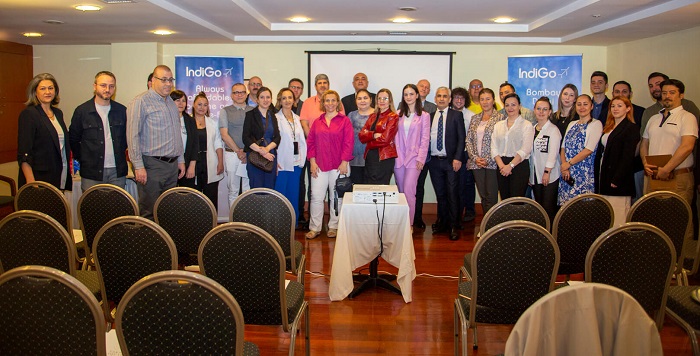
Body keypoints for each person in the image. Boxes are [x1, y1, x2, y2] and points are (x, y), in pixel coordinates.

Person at [127, 65, 185, 219]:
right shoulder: (141, 102)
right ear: (153, 81)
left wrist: (180, 159)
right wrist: (138, 166)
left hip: (172, 166)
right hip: (152, 166)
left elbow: (176, 133)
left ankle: (165, 243)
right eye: (163, 80)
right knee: (149, 212)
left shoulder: (171, 103)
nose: (168, 83)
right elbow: (132, 135)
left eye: (170, 80)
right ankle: (148, 243)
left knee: (167, 210)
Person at [305, 90, 353, 239]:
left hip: (339, 165)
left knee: (336, 197)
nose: (330, 104)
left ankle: (334, 226)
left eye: (333, 101)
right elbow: (311, 143)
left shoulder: (344, 121)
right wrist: (312, 162)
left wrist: (345, 162)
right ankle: (315, 227)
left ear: (338, 103)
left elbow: (348, 142)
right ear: (323, 103)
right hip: (319, 165)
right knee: (316, 197)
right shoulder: (317, 122)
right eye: (327, 101)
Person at [641, 79, 697, 205]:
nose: (667, 96)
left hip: (678, 177)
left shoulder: (687, 117)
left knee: (678, 220)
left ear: (681, 95)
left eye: (672, 92)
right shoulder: (653, 118)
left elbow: (687, 146)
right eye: (664, 93)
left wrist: (667, 169)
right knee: (652, 218)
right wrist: (645, 163)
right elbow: (644, 143)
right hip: (653, 177)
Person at [69, 71, 128, 191]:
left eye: (111, 86)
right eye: (103, 85)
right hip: (91, 172)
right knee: (91, 208)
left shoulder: (122, 111)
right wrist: (85, 159)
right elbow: (74, 140)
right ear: (94, 86)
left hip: (117, 171)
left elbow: (127, 139)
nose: (107, 89)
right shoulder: (82, 111)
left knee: (117, 208)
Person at [17, 73, 71, 191]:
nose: (48, 92)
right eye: (43, 88)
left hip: (59, 174)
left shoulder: (58, 113)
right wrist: (31, 182)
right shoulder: (29, 114)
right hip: (38, 178)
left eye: (51, 88)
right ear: (35, 92)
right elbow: (24, 153)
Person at [428, 87, 466, 241]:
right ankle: (442, 221)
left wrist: (458, 158)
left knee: (452, 193)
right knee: (441, 194)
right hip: (434, 162)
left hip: (451, 161)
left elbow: (461, 138)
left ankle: (453, 225)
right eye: (439, 96)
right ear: (435, 99)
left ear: (449, 99)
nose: (442, 99)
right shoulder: (429, 116)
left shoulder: (456, 115)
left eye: (445, 96)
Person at [594, 96, 640, 219]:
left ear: (628, 108)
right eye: (613, 106)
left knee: (618, 215)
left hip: (619, 179)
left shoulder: (631, 128)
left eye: (620, 106)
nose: (615, 109)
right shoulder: (609, 126)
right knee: (606, 214)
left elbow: (628, 157)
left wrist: (617, 178)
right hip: (604, 174)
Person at [394, 84, 430, 226]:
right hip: (399, 158)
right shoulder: (397, 114)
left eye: (411, 94)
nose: (408, 97)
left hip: (414, 159)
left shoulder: (424, 116)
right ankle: (401, 224)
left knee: (409, 191)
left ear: (416, 95)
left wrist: (421, 158)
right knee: (401, 193)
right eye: (405, 94)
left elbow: (425, 138)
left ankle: (409, 225)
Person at [558, 94, 603, 206]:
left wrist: (569, 163)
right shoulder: (571, 124)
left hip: (583, 174)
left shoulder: (596, 124)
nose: (582, 107)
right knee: (566, 209)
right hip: (567, 173)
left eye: (585, 104)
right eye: (579, 104)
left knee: (582, 209)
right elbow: (563, 147)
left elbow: (588, 150)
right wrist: (564, 165)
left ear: (591, 106)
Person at [466, 88, 504, 215]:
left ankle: (491, 227)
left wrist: (488, 158)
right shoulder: (475, 118)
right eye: (482, 99)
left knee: (491, 196)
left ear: (493, 100)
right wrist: (475, 158)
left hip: (493, 163)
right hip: (477, 163)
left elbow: (501, 142)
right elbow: (469, 140)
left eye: (488, 99)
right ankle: (486, 226)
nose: (485, 102)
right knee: (483, 196)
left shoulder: (500, 118)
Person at [492, 93, 534, 199]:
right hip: (501, 166)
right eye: (507, 105)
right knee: (505, 200)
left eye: (513, 105)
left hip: (519, 166)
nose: (510, 108)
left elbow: (526, 149)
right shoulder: (498, 125)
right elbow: (494, 147)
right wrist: (502, 166)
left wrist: (510, 166)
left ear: (519, 106)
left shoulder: (527, 125)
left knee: (516, 201)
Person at [274, 88, 307, 222]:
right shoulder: (275, 119)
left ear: (294, 101)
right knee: (281, 192)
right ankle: (279, 222)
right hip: (282, 162)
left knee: (294, 193)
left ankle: (292, 222)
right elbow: (273, 140)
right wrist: (275, 161)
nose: (287, 100)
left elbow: (301, 140)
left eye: (290, 98)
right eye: (284, 98)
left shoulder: (299, 119)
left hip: (296, 162)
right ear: (280, 101)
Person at [219, 83, 252, 207]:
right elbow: (224, 135)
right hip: (232, 155)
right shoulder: (225, 111)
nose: (239, 95)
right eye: (236, 92)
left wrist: (245, 151)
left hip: (249, 155)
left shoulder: (253, 111)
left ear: (246, 94)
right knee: (233, 190)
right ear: (231, 95)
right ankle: (234, 222)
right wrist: (239, 151)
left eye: (242, 92)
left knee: (247, 190)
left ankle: (246, 222)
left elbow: (255, 134)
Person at [529, 97, 561, 223]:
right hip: (535, 175)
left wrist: (547, 172)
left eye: (545, 109)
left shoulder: (553, 130)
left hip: (549, 175)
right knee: (539, 207)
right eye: (538, 109)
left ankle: (551, 236)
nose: (541, 112)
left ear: (550, 112)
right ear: (534, 110)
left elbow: (553, 154)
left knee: (548, 208)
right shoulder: (531, 129)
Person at [242, 86, 280, 189]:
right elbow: (245, 137)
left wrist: (267, 149)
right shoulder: (250, 115)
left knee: (269, 188)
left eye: (268, 97)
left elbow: (277, 138)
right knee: (256, 188)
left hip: (270, 156)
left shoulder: (273, 116)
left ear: (271, 99)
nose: (265, 100)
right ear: (257, 99)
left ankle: (267, 206)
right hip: (255, 156)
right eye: (262, 97)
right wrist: (261, 151)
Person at [358, 88, 398, 185]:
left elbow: (385, 140)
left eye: (385, 98)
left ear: (390, 101)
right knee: (369, 186)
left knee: (380, 188)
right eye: (379, 98)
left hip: (384, 157)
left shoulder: (393, 117)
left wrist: (369, 141)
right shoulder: (372, 116)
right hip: (370, 157)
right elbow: (361, 136)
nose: (382, 101)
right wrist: (373, 135)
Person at [451, 87, 477, 223]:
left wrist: (470, 158)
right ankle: (455, 212)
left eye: (462, 98)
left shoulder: (471, 116)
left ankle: (470, 211)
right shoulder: (448, 114)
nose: (459, 100)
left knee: (467, 184)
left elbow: (471, 138)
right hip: (451, 155)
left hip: (466, 154)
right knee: (454, 185)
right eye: (456, 97)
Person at [170, 90, 198, 188]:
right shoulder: (166, 119)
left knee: (186, 197)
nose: (181, 103)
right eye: (178, 100)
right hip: (170, 164)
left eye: (183, 101)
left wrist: (192, 165)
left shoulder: (190, 120)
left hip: (187, 164)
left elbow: (195, 144)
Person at [347, 89, 374, 185]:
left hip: (373, 157)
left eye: (365, 98)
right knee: (357, 188)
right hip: (355, 159)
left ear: (371, 100)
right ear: (356, 101)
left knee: (371, 188)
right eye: (359, 98)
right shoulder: (351, 115)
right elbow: (347, 137)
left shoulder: (377, 115)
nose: (362, 101)